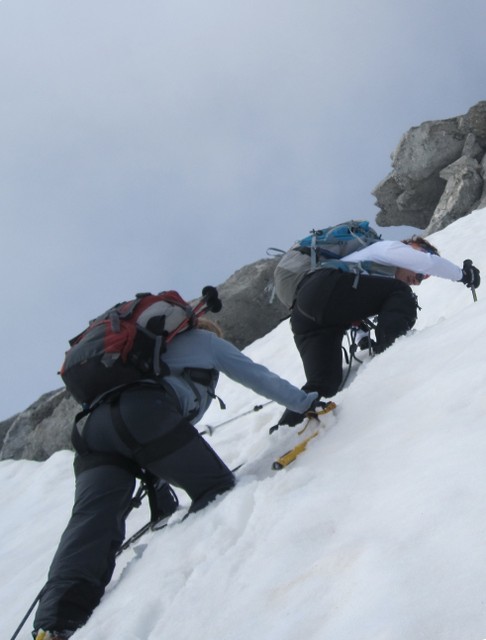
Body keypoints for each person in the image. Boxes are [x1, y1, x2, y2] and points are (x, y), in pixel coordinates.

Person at [32, 318, 319, 640]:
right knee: (215, 488)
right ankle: (182, 565)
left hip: (91, 430)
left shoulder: (135, 357)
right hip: (143, 412)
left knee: (90, 522)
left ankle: (54, 621)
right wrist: (306, 403)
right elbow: (257, 376)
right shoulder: (205, 341)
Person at [278, 235, 480, 427]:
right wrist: (463, 275)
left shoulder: (368, 273)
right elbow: (426, 262)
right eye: (421, 272)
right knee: (402, 292)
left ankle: (284, 431)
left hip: (305, 314)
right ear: (413, 248)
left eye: (424, 278)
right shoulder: (388, 248)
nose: (419, 279)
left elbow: (350, 309)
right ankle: (392, 355)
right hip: (321, 288)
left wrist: (363, 338)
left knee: (323, 383)